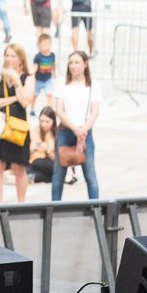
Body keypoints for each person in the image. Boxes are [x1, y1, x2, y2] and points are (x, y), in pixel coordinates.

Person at [0, 43, 34, 204]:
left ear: (21, 59)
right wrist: (13, 98)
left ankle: (21, 203)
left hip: (18, 126)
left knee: (19, 167)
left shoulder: (28, 78)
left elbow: (26, 102)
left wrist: (16, 80)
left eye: (13, 56)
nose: (9, 59)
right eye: (7, 55)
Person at [51, 51, 101, 200]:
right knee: (58, 176)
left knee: (90, 176)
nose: (73, 66)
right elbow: (59, 110)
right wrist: (75, 129)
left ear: (85, 64)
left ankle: (95, 209)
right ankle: (54, 208)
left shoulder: (93, 85)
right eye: (71, 62)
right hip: (65, 132)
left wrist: (83, 130)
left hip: (85, 133)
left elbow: (94, 111)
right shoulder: (62, 83)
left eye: (77, 62)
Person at [29, 106, 57, 184]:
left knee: (38, 163)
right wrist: (33, 148)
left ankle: (55, 176)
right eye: (41, 121)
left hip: (49, 163)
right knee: (29, 169)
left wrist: (47, 150)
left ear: (53, 121)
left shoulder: (57, 135)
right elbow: (25, 154)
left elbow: (58, 159)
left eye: (47, 121)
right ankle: (53, 178)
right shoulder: (35, 131)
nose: (44, 124)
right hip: (34, 163)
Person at [31, 34, 56, 114]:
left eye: (49, 44)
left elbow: (53, 64)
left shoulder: (52, 55)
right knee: (34, 95)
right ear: (39, 45)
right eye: (45, 44)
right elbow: (34, 67)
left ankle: (49, 110)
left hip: (47, 79)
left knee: (49, 95)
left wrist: (54, 73)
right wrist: (31, 76)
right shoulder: (38, 57)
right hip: (38, 79)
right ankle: (32, 109)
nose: (47, 46)